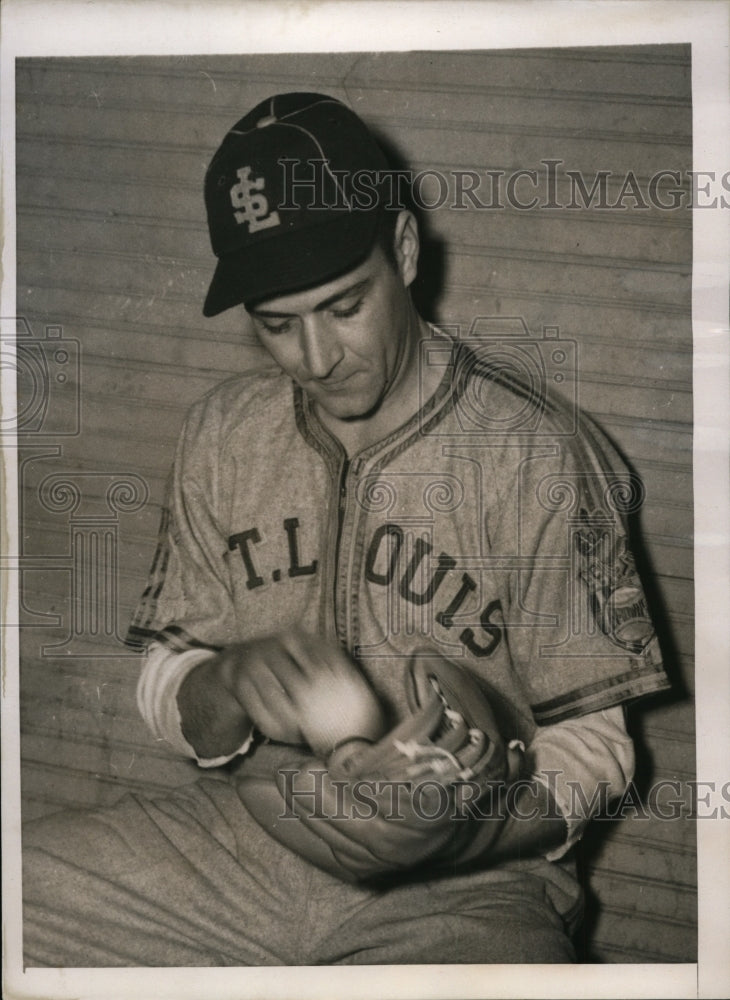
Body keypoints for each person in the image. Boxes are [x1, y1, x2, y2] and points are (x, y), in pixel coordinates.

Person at [22, 92, 670, 967]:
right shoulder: (224, 430)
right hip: (244, 841)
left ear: (402, 250)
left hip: (471, 889)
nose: (317, 358)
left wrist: (459, 837)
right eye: (277, 326)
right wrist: (225, 683)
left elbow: (595, 749)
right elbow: (165, 676)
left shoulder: (536, 452)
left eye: (344, 305)